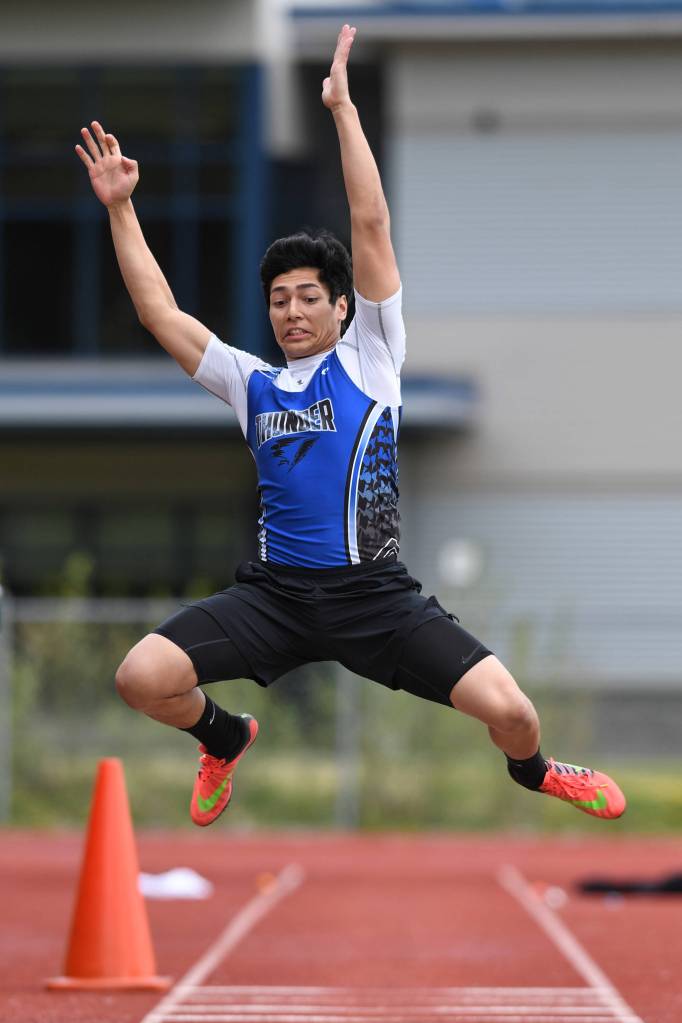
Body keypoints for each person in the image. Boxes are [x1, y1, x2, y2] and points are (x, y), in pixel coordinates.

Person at [75, 24, 625, 827]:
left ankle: (536, 771)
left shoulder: (371, 354)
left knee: (514, 713)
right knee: (141, 677)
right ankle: (224, 736)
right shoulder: (251, 381)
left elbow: (369, 226)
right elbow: (161, 313)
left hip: (376, 598)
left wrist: (341, 110)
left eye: (308, 296)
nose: (292, 310)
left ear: (340, 305)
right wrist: (122, 207)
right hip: (275, 597)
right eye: (278, 299)